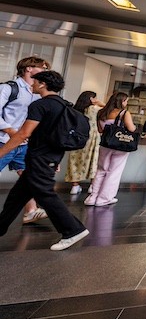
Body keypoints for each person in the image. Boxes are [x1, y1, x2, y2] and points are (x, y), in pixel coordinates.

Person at [0, 70, 89, 250]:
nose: (32, 85)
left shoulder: (40, 105)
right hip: (48, 156)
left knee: (45, 194)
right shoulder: (63, 105)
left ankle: (72, 229)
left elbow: (24, 134)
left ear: (42, 84)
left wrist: (1, 152)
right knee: (16, 197)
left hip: (39, 157)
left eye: (35, 82)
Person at [0, 56, 51, 224]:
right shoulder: (9, 88)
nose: (45, 71)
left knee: (28, 176)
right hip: (4, 141)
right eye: (42, 68)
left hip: (25, 145)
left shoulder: (37, 92)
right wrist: (10, 131)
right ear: (29, 68)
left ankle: (31, 211)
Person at [86, 92, 136, 207]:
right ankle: (104, 198)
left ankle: (93, 197)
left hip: (105, 144)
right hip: (120, 145)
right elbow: (131, 128)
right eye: (126, 101)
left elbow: (100, 130)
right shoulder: (124, 113)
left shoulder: (102, 112)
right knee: (114, 172)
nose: (126, 103)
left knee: (101, 170)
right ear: (122, 101)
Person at [65, 91, 104, 195]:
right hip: (92, 137)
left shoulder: (75, 109)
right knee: (93, 160)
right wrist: (100, 103)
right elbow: (109, 110)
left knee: (74, 160)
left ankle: (75, 186)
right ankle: (92, 186)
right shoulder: (94, 109)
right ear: (91, 99)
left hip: (76, 137)